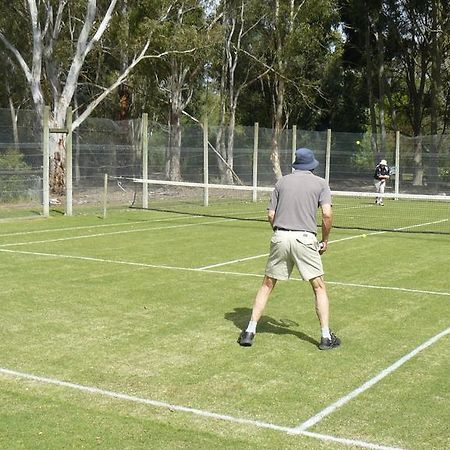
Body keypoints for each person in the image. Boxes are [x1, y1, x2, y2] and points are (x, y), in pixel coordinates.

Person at [237, 147, 341, 351]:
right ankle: (325, 337)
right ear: (312, 165)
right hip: (305, 238)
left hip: (280, 236)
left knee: (267, 285)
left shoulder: (281, 182)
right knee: (319, 287)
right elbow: (327, 215)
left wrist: (280, 233)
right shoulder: (321, 184)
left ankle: (249, 331)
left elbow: (270, 215)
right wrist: (325, 240)